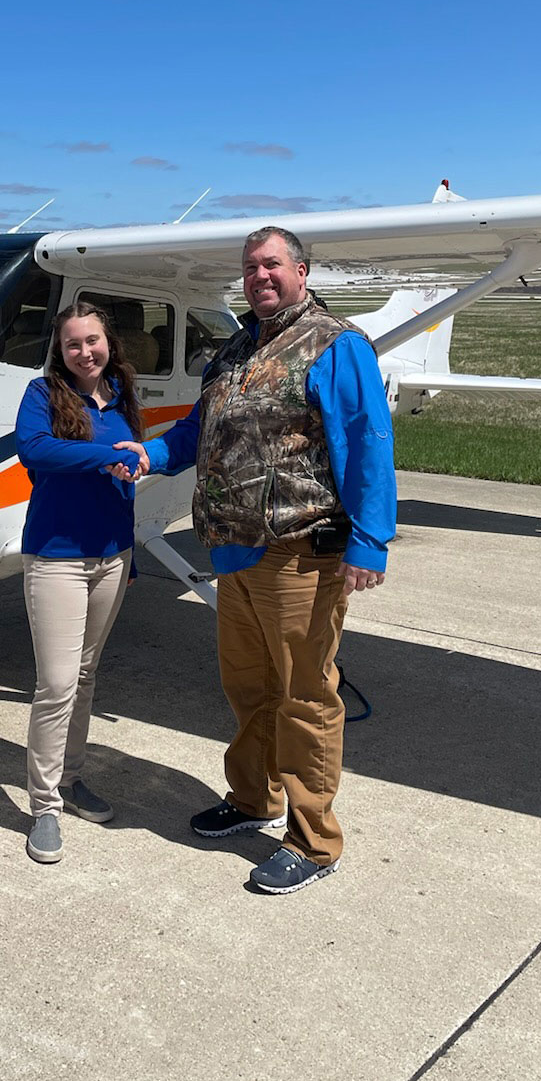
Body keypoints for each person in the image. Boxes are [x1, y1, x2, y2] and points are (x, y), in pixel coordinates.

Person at [113, 226, 396, 896]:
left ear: (301, 270)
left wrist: (370, 540)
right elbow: (200, 429)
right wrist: (153, 454)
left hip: (300, 553)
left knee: (304, 697)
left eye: (272, 264)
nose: (259, 276)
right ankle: (253, 799)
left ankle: (314, 841)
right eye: (249, 268)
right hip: (234, 550)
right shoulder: (238, 347)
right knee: (248, 688)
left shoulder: (335, 343)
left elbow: (367, 441)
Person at [13, 302, 143, 865]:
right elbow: (34, 449)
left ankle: (70, 778)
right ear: (59, 350)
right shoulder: (43, 395)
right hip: (57, 558)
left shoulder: (122, 394)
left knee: (86, 677)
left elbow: (127, 479)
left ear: (108, 342)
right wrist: (102, 456)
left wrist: (129, 556)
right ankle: (44, 806)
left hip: (112, 556)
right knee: (57, 683)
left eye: (93, 340)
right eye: (73, 343)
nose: (85, 352)